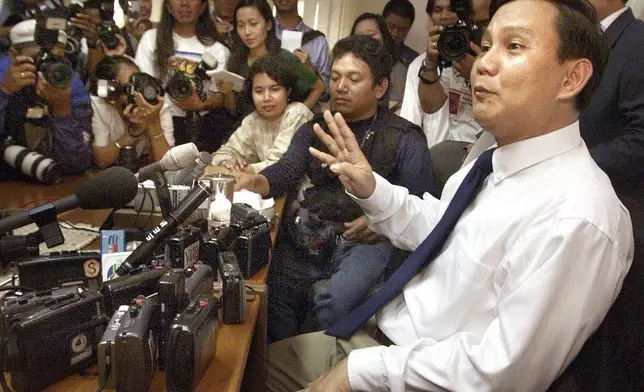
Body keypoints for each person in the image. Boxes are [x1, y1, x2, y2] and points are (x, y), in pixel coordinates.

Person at [265, 1, 635, 391]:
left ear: (571, 78)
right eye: (487, 44)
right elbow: (440, 228)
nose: (483, 65)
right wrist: (372, 188)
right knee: (256, 361)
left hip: (427, 371)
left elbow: (503, 373)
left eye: (513, 47)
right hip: (387, 335)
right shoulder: (491, 154)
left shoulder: (579, 216)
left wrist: (361, 372)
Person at [234, 35, 435, 342]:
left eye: (354, 79)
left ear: (380, 87)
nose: (340, 86)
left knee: (335, 304)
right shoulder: (315, 127)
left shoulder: (405, 138)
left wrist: (381, 221)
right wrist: (254, 182)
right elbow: (287, 171)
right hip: (309, 234)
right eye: (336, 77)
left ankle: (321, 374)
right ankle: (280, 370)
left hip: (365, 241)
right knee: (269, 299)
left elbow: (421, 203)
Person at [573, 0, 644, 390]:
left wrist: (569, 164)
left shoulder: (636, 44)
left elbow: (641, 138)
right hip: (573, 208)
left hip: (620, 213)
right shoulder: (581, 42)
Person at [136, 0, 232, 152]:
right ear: (167, 5)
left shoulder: (218, 49)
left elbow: (221, 95)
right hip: (158, 122)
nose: (184, 3)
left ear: (203, 7)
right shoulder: (150, 39)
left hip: (203, 128)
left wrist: (198, 105)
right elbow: (143, 84)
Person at [0, 19, 91, 176]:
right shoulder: (4, 77)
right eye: (41, 59)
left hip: (53, 180)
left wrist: (63, 112)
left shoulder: (71, 84)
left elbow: (77, 163)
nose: (49, 68)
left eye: (55, 60)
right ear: (14, 55)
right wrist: (5, 92)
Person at [401, 0, 490, 148]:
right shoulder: (429, 62)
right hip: (445, 151)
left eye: (451, 9)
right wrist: (430, 62)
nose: (445, 16)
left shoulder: (489, 58)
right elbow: (431, 107)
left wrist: (475, 72)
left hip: (481, 150)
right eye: (438, 10)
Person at [210, 55, 313, 174]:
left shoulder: (297, 113)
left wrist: (236, 171)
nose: (266, 98)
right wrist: (227, 162)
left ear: (288, 91)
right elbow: (224, 153)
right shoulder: (253, 120)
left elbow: (279, 165)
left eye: (275, 89)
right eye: (259, 91)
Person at [225, 0, 325, 119]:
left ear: (268, 24)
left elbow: (319, 88)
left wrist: (294, 118)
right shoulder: (235, 60)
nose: (247, 32)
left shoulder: (284, 57)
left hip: (281, 132)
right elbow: (233, 110)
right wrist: (227, 92)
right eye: (241, 26)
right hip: (244, 129)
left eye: (253, 24)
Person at [90, 55, 174, 169]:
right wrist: (132, 133)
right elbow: (101, 161)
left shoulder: (157, 105)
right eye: (130, 88)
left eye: (139, 81)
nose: (140, 93)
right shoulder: (99, 106)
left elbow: (167, 166)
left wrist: (154, 124)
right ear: (110, 96)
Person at [274, 0, 331, 95]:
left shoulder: (318, 41)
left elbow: (326, 95)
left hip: (305, 107)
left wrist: (310, 70)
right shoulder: (259, 34)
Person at [350, 13, 406, 108]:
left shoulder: (397, 70)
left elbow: (395, 113)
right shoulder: (346, 64)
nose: (365, 41)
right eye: (359, 36)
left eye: (371, 35)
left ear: (384, 37)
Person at [382, 0, 419, 67]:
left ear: (409, 29)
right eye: (391, 26)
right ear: (382, 21)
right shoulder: (369, 51)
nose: (395, 33)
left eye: (402, 30)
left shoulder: (414, 60)